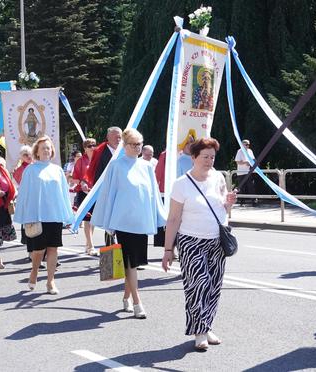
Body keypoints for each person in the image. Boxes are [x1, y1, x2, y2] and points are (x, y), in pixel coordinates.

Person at [162, 137, 237, 351]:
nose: (209, 161)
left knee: (213, 286)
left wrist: (229, 203)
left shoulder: (219, 178)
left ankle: (207, 325)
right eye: (205, 157)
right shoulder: (181, 184)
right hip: (190, 241)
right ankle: (199, 332)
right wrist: (168, 250)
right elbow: (173, 219)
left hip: (216, 240)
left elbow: (223, 208)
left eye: (212, 157)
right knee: (198, 284)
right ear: (193, 157)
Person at [91, 128, 166, 319]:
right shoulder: (116, 166)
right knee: (130, 264)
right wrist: (108, 222)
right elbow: (109, 194)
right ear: (125, 145)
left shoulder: (147, 166)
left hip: (140, 221)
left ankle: (126, 297)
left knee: (132, 263)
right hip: (122, 221)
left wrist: (159, 217)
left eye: (140, 144)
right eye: (134, 144)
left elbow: (153, 194)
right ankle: (137, 302)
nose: (138, 147)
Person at [14, 136, 74, 294]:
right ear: (37, 152)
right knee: (39, 250)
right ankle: (34, 271)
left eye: (48, 148)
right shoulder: (31, 170)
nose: (46, 150)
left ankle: (50, 281)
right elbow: (24, 194)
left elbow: (63, 194)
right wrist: (24, 216)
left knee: (53, 249)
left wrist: (67, 216)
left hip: (54, 216)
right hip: (38, 216)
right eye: (43, 148)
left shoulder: (57, 170)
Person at [72, 138, 98, 256]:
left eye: (94, 145)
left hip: (96, 192)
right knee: (87, 219)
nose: (92, 147)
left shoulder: (98, 160)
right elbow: (74, 178)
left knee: (93, 220)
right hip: (84, 193)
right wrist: (81, 182)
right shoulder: (81, 161)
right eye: (89, 146)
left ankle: (88, 244)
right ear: (85, 148)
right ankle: (91, 245)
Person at [234, 139, 256, 205]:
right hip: (241, 172)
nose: (248, 146)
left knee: (251, 186)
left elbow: (253, 159)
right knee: (241, 188)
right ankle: (241, 202)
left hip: (249, 172)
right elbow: (237, 161)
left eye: (248, 144)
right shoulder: (239, 151)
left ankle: (254, 201)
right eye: (246, 144)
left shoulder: (250, 151)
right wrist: (245, 162)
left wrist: (251, 163)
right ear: (242, 145)